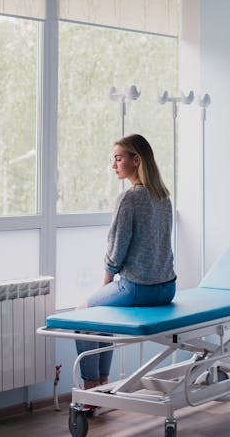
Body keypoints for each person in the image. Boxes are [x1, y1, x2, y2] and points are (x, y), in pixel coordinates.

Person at [75, 134, 176, 398]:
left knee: (82, 314)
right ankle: (104, 383)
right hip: (166, 289)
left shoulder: (129, 198)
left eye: (118, 159)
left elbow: (116, 249)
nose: (114, 165)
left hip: (138, 288)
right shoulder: (163, 197)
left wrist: (106, 283)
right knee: (102, 315)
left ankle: (91, 389)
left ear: (136, 160)